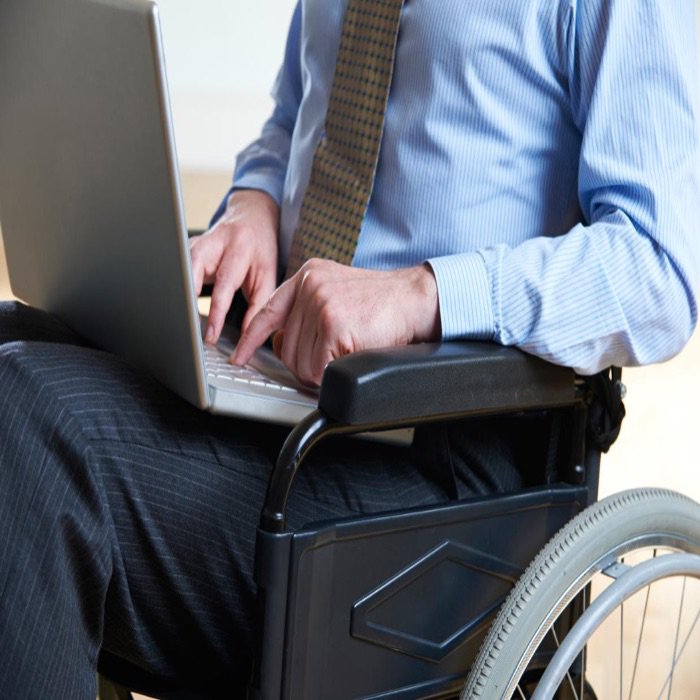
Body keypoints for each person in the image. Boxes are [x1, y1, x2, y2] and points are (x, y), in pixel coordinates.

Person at [0, 0, 698, 697]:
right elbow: (293, 121)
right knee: (11, 342)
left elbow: (659, 269)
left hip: (446, 462)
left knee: (27, 419)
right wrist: (254, 203)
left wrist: (425, 295)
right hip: (289, 382)